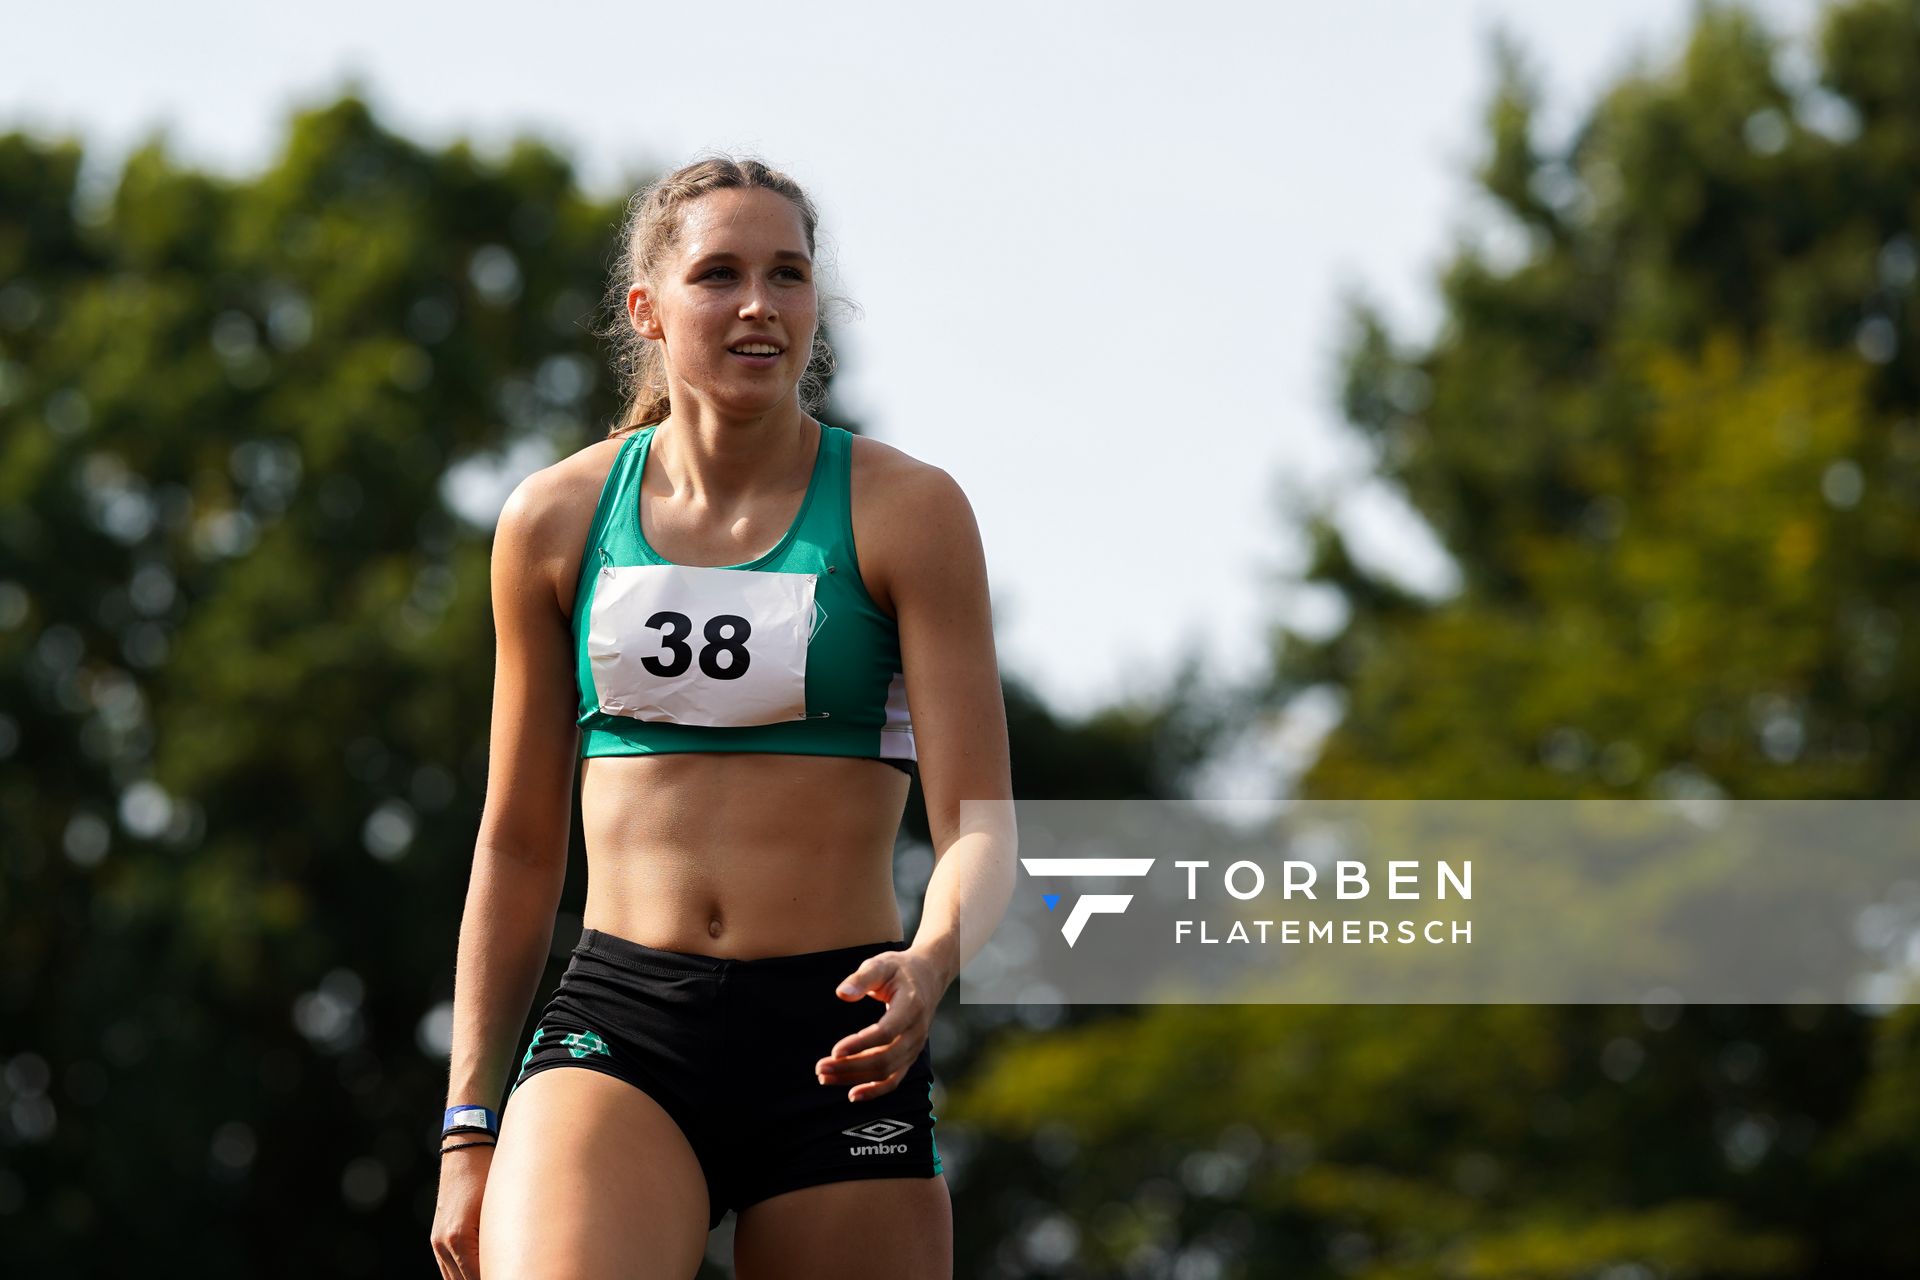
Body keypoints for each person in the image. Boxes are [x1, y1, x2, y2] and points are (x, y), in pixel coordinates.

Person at [429, 154, 1015, 1280]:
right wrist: (467, 1123)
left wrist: (933, 959)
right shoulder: (553, 519)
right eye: (721, 274)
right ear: (647, 308)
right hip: (621, 1025)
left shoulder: (910, 512)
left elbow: (981, 828)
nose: (760, 303)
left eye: (789, 274)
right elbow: (514, 841)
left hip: (842, 1033)